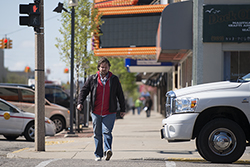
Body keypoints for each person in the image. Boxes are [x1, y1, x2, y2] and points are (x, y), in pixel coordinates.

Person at [77, 57, 126, 161]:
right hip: (96, 111)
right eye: (102, 67)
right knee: (97, 134)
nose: (104, 69)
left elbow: (120, 95)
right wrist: (80, 102)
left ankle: (108, 150)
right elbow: (84, 91)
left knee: (107, 132)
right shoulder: (92, 79)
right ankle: (98, 154)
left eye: (106, 67)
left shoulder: (114, 79)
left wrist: (122, 109)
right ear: (98, 67)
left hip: (110, 111)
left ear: (109, 68)